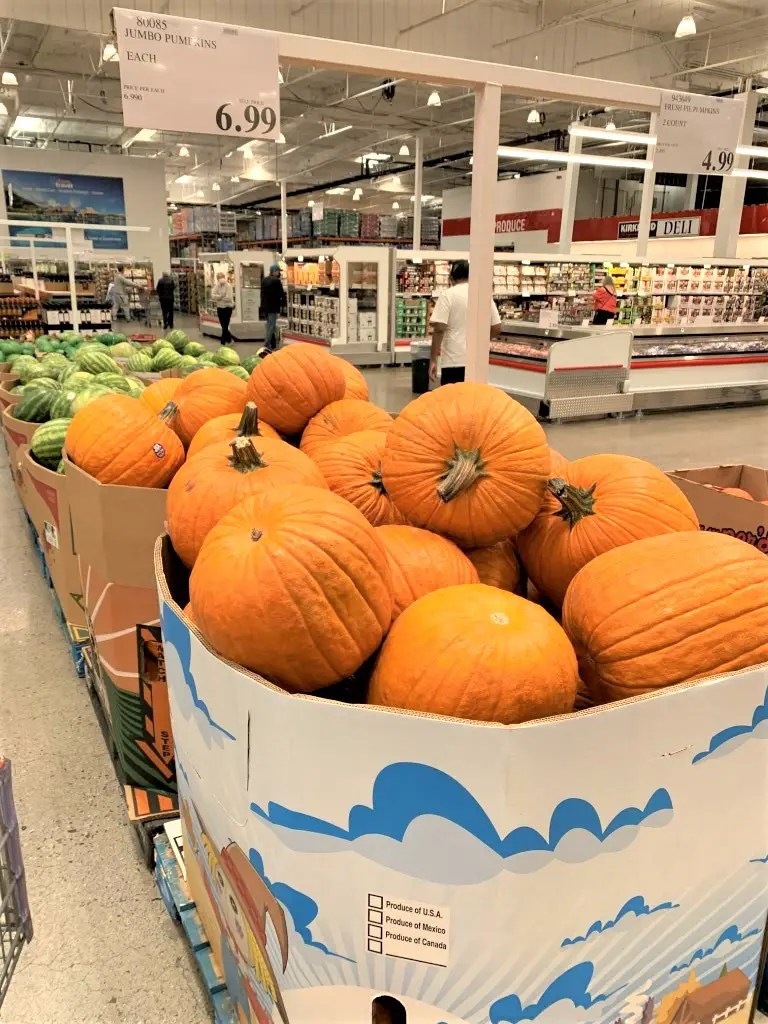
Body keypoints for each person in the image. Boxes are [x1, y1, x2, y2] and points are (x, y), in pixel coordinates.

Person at [429, 259, 502, 386]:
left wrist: (433, 359)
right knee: (473, 402)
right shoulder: (482, 294)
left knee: (453, 402)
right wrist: (480, 343)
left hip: (453, 361)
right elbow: (496, 327)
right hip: (477, 362)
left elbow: (439, 328)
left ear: (451, 278)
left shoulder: (448, 295)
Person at [260, 263, 285, 352]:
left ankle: (273, 344)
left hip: (265, 307)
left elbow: (262, 294)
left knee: (270, 325)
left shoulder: (264, 280)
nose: (279, 273)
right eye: (278, 271)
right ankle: (266, 345)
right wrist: (283, 305)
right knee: (271, 326)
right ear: (274, 271)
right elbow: (281, 294)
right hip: (273, 307)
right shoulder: (276, 281)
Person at [212, 272, 235, 344]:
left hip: (228, 308)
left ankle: (223, 340)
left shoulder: (228, 286)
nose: (219, 279)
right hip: (220, 307)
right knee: (223, 324)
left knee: (225, 324)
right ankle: (230, 338)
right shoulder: (217, 286)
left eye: (220, 277)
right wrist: (221, 296)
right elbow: (213, 296)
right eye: (218, 277)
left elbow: (228, 298)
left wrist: (218, 297)